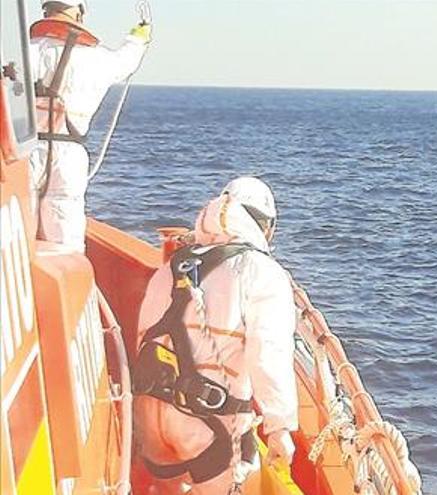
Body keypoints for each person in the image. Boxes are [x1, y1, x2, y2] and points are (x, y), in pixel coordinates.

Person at [133, 177, 298, 494]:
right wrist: (280, 429)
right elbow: (268, 354)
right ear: (266, 228)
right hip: (207, 430)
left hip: (150, 422)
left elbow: (143, 339)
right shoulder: (261, 271)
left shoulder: (172, 267)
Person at [29, 0, 151, 251]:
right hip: (69, 156)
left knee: (16, 226)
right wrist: (138, 37)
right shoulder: (97, 60)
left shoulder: (22, 52)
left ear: (46, 10)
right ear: (79, 11)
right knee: (65, 238)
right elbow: (125, 61)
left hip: (23, 151)